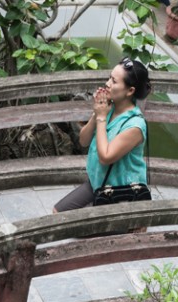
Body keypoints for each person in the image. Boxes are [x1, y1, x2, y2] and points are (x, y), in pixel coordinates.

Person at [54, 57, 152, 213]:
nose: (107, 84)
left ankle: (130, 224)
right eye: (109, 78)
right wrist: (97, 113)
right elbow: (83, 141)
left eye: (114, 81)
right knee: (57, 213)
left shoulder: (135, 126)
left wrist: (101, 117)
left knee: (73, 227)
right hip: (98, 184)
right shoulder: (110, 108)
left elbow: (105, 157)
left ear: (130, 91)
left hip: (121, 194)